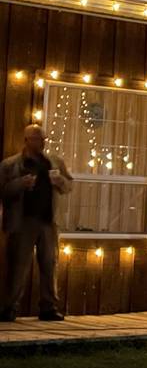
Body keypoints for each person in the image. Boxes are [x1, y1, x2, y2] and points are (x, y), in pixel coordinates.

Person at [0, 125, 73, 322]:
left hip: (48, 222)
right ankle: (9, 308)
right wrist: (20, 184)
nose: (41, 143)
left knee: (50, 265)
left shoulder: (54, 162)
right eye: (37, 139)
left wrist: (59, 181)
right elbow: (3, 191)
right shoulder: (11, 165)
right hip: (22, 222)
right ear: (26, 140)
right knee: (18, 266)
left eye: (43, 139)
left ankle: (48, 307)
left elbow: (69, 185)